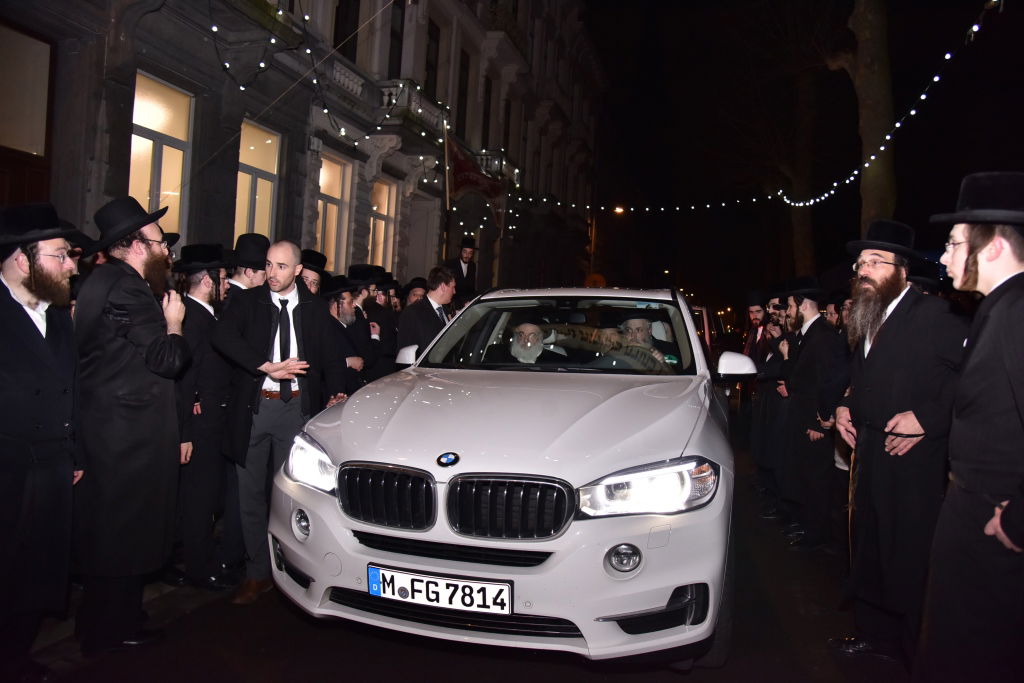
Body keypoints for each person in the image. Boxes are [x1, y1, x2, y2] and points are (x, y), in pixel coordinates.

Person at [829, 221, 967, 666]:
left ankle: (916, 653)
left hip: (913, 462)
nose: (863, 270)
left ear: (902, 270)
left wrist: (928, 419)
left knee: (907, 554)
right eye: (860, 263)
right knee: (870, 544)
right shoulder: (869, 314)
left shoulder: (935, 315)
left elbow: (974, 379)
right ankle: (876, 635)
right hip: (870, 452)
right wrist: (845, 406)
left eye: (875, 262)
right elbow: (863, 379)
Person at [916, 172, 1024, 682]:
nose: (944, 258)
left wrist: (1017, 522)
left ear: (994, 246)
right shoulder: (999, 307)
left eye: (954, 243)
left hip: (994, 526)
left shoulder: (1017, 310)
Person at [73, 196, 190, 655]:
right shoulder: (128, 288)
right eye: (160, 243)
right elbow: (166, 359)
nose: (166, 252)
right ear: (137, 244)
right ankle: (110, 628)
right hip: (127, 435)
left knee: (113, 531)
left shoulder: (102, 280)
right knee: (123, 534)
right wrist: (175, 324)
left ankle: (106, 619)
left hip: (112, 429)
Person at [212, 240, 346, 605]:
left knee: (292, 495)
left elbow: (332, 357)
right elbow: (221, 336)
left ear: (298, 270)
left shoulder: (314, 309)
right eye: (269, 265)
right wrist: (265, 366)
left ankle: (292, 567)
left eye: (281, 266)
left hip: (297, 410)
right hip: (255, 409)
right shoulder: (247, 301)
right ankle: (257, 572)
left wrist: (337, 393)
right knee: (249, 495)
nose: (272, 273)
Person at [0, 203, 80, 682]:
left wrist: (75, 452)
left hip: (53, 468)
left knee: (37, 573)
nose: (72, 265)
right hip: (7, 469)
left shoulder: (59, 316)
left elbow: (73, 389)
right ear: (20, 259)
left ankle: (14, 657)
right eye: (60, 255)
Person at [171, 244, 236, 592]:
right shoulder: (193, 319)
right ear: (208, 281)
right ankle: (199, 567)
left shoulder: (206, 315)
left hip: (210, 420)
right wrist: (184, 432)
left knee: (204, 496)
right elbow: (183, 379)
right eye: (223, 279)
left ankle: (194, 557)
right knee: (199, 498)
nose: (226, 285)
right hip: (199, 426)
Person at [777, 277, 849, 552]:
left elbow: (828, 382)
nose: (788, 312)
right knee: (807, 477)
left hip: (814, 422)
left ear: (803, 305)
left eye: (790, 306)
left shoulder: (823, 336)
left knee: (817, 481)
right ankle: (810, 528)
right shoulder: (808, 334)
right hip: (804, 418)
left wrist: (819, 421)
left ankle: (818, 536)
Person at [397, 265, 456, 355]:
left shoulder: (446, 310)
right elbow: (405, 353)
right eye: (453, 287)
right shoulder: (412, 313)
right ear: (443, 287)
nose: (454, 291)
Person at [486, 322, 563, 364]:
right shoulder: (497, 355)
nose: (526, 340)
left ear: (539, 338)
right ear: (516, 337)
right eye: (521, 335)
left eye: (532, 335)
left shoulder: (555, 361)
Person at [225, 233, 269, 302]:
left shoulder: (220, 294)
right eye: (264, 274)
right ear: (249, 273)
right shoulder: (243, 301)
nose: (266, 278)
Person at [443, 236, 477, 307]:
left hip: (467, 305)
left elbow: (471, 288)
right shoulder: (450, 264)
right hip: (452, 304)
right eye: (465, 252)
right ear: (460, 251)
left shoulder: (473, 266)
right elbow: (446, 288)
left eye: (470, 253)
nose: (467, 255)